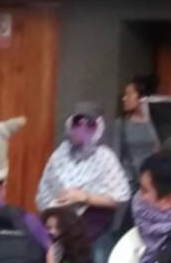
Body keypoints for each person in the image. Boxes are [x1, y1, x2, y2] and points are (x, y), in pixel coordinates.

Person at [36, 102, 131, 242]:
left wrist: (84, 197)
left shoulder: (105, 157)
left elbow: (119, 199)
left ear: (97, 129)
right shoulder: (60, 153)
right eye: (77, 123)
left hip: (90, 226)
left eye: (88, 125)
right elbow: (44, 192)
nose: (81, 129)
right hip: (56, 222)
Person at [113, 74, 160, 192]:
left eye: (129, 94)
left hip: (152, 183)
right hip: (128, 182)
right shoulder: (121, 124)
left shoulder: (156, 123)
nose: (124, 98)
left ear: (142, 98)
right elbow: (115, 156)